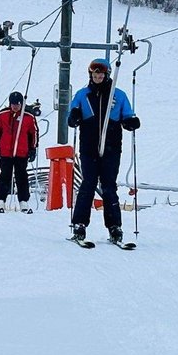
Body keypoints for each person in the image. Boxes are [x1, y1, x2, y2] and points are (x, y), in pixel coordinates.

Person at [67, 57, 139, 244]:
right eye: (94, 74)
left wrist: (130, 122)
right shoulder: (83, 95)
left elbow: (127, 115)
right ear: (91, 75)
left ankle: (114, 226)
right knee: (88, 183)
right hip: (89, 146)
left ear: (106, 75)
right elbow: (72, 113)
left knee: (109, 186)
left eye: (101, 74)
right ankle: (79, 224)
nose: (98, 76)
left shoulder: (118, 95)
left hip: (111, 146)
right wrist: (74, 117)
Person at [0, 91, 40, 214]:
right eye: (13, 104)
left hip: (21, 152)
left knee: (21, 176)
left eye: (17, 104)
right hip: (6, 152)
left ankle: (23, 200)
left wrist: (33, 149)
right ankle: (1, 200)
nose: (15, 107)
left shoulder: (28, 116)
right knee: (5, 175)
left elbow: (33, 133)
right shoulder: (2, 115)